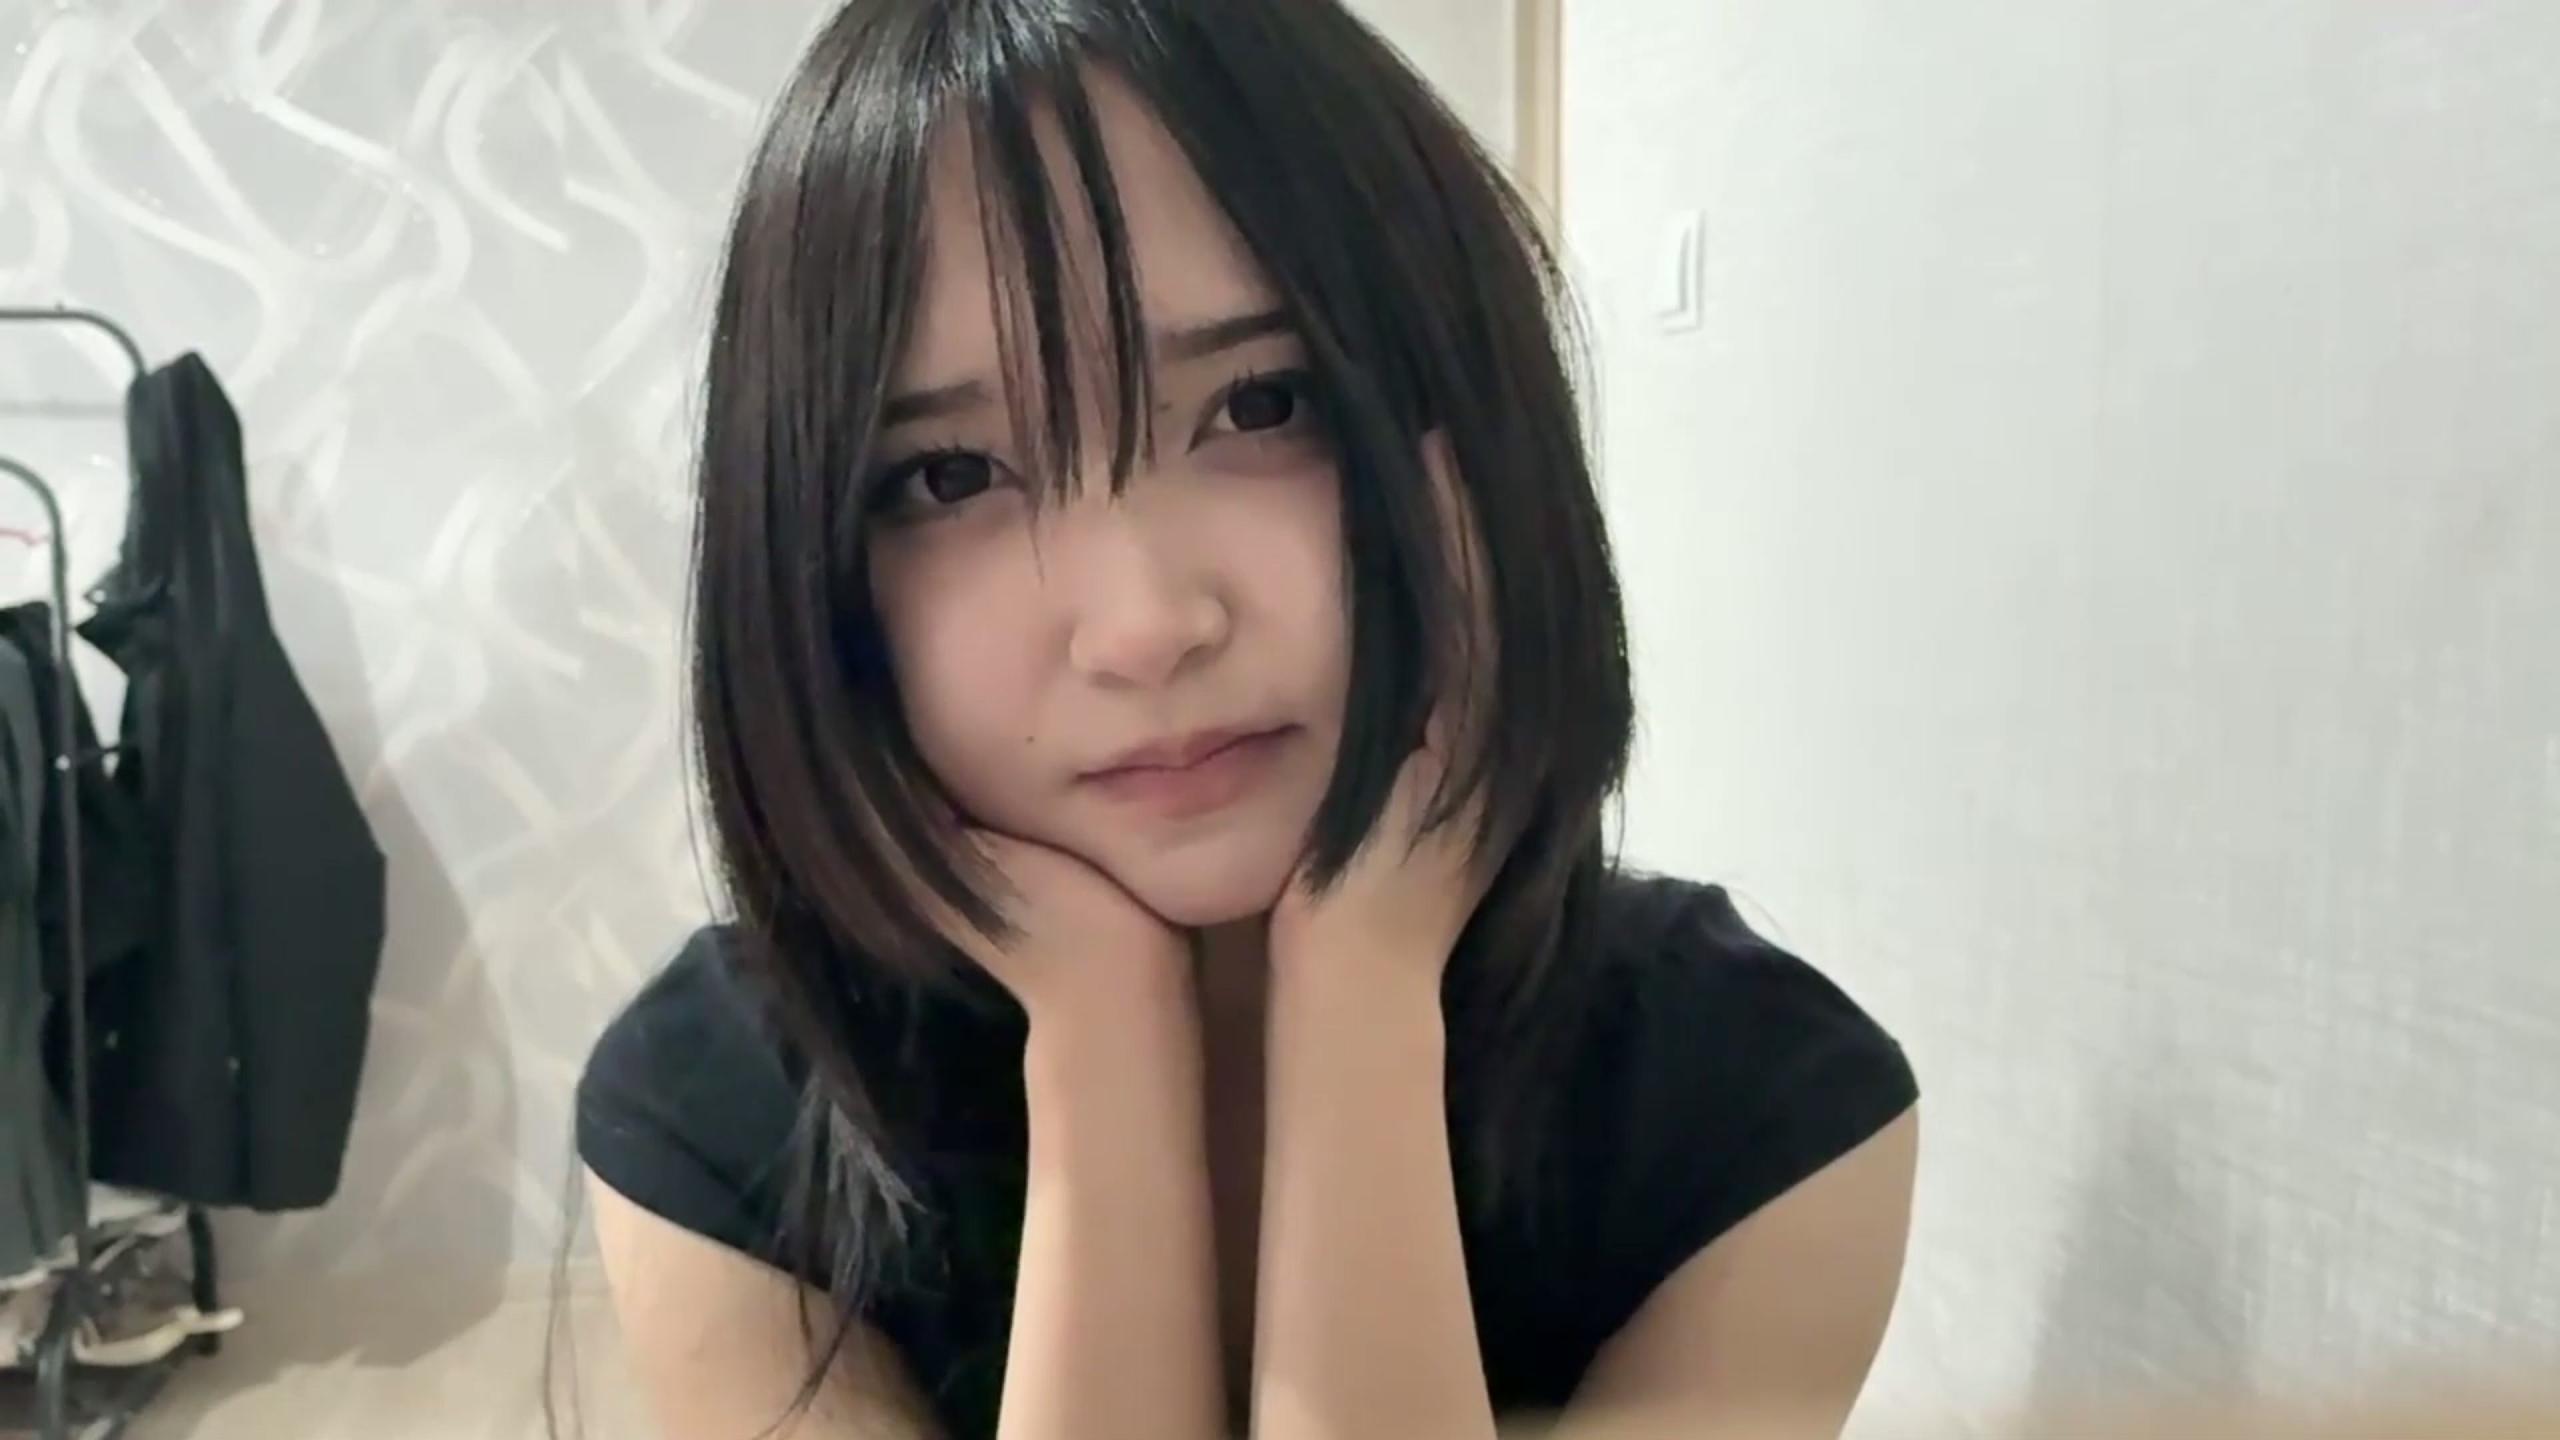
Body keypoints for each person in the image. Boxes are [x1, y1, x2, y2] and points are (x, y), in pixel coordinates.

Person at [572, 2, 1920, 1436]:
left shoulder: (1761, 1116)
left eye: (1263, 404)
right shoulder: (714, 1114)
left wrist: (1365, 997)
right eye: (952, 477)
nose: (1144, 624)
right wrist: (1100, 1047)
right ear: (818, 577)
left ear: (1475, 436)